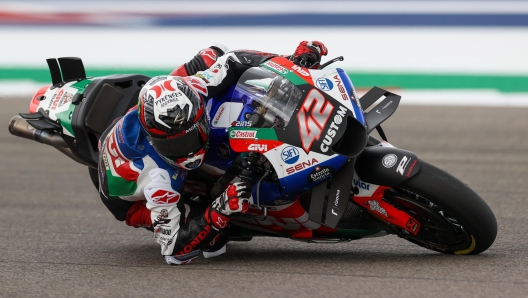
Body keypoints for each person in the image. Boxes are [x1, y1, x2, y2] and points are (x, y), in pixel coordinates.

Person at [97, 41, 328, 265]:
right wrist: (219, 210)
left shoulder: (194, 90)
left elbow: (234, 60)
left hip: (136, 121)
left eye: (193, 135)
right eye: (177, 145)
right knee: (214, 240)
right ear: (155, 141)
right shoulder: (158, 183)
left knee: (214, 54)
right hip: (127, 199)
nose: (189, 149)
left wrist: (291, 62)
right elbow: (174, 251)